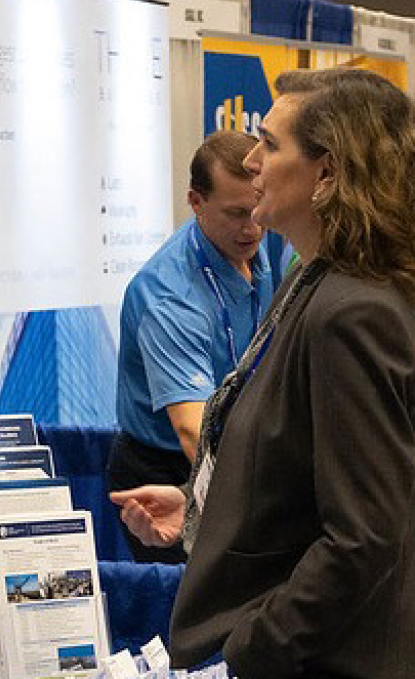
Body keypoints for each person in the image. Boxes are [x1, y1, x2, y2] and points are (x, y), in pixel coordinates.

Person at [110, 67, 415, 678]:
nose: (254, 161)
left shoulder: (355, 312)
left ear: (327, 174)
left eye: (269, 143)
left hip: (331, 661)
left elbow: (363, 538)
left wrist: (252, 647)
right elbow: (299, 470)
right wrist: (196, 508)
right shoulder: (314, 280)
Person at [111, 130, 271, 563]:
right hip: (171, 470)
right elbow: (192, 431)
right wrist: (264, 499)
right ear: (195, 202)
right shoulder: (170, 297)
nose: (252, 227)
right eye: (236, 214)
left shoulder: (254, 238)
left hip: (237, 450)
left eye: (257, 208)